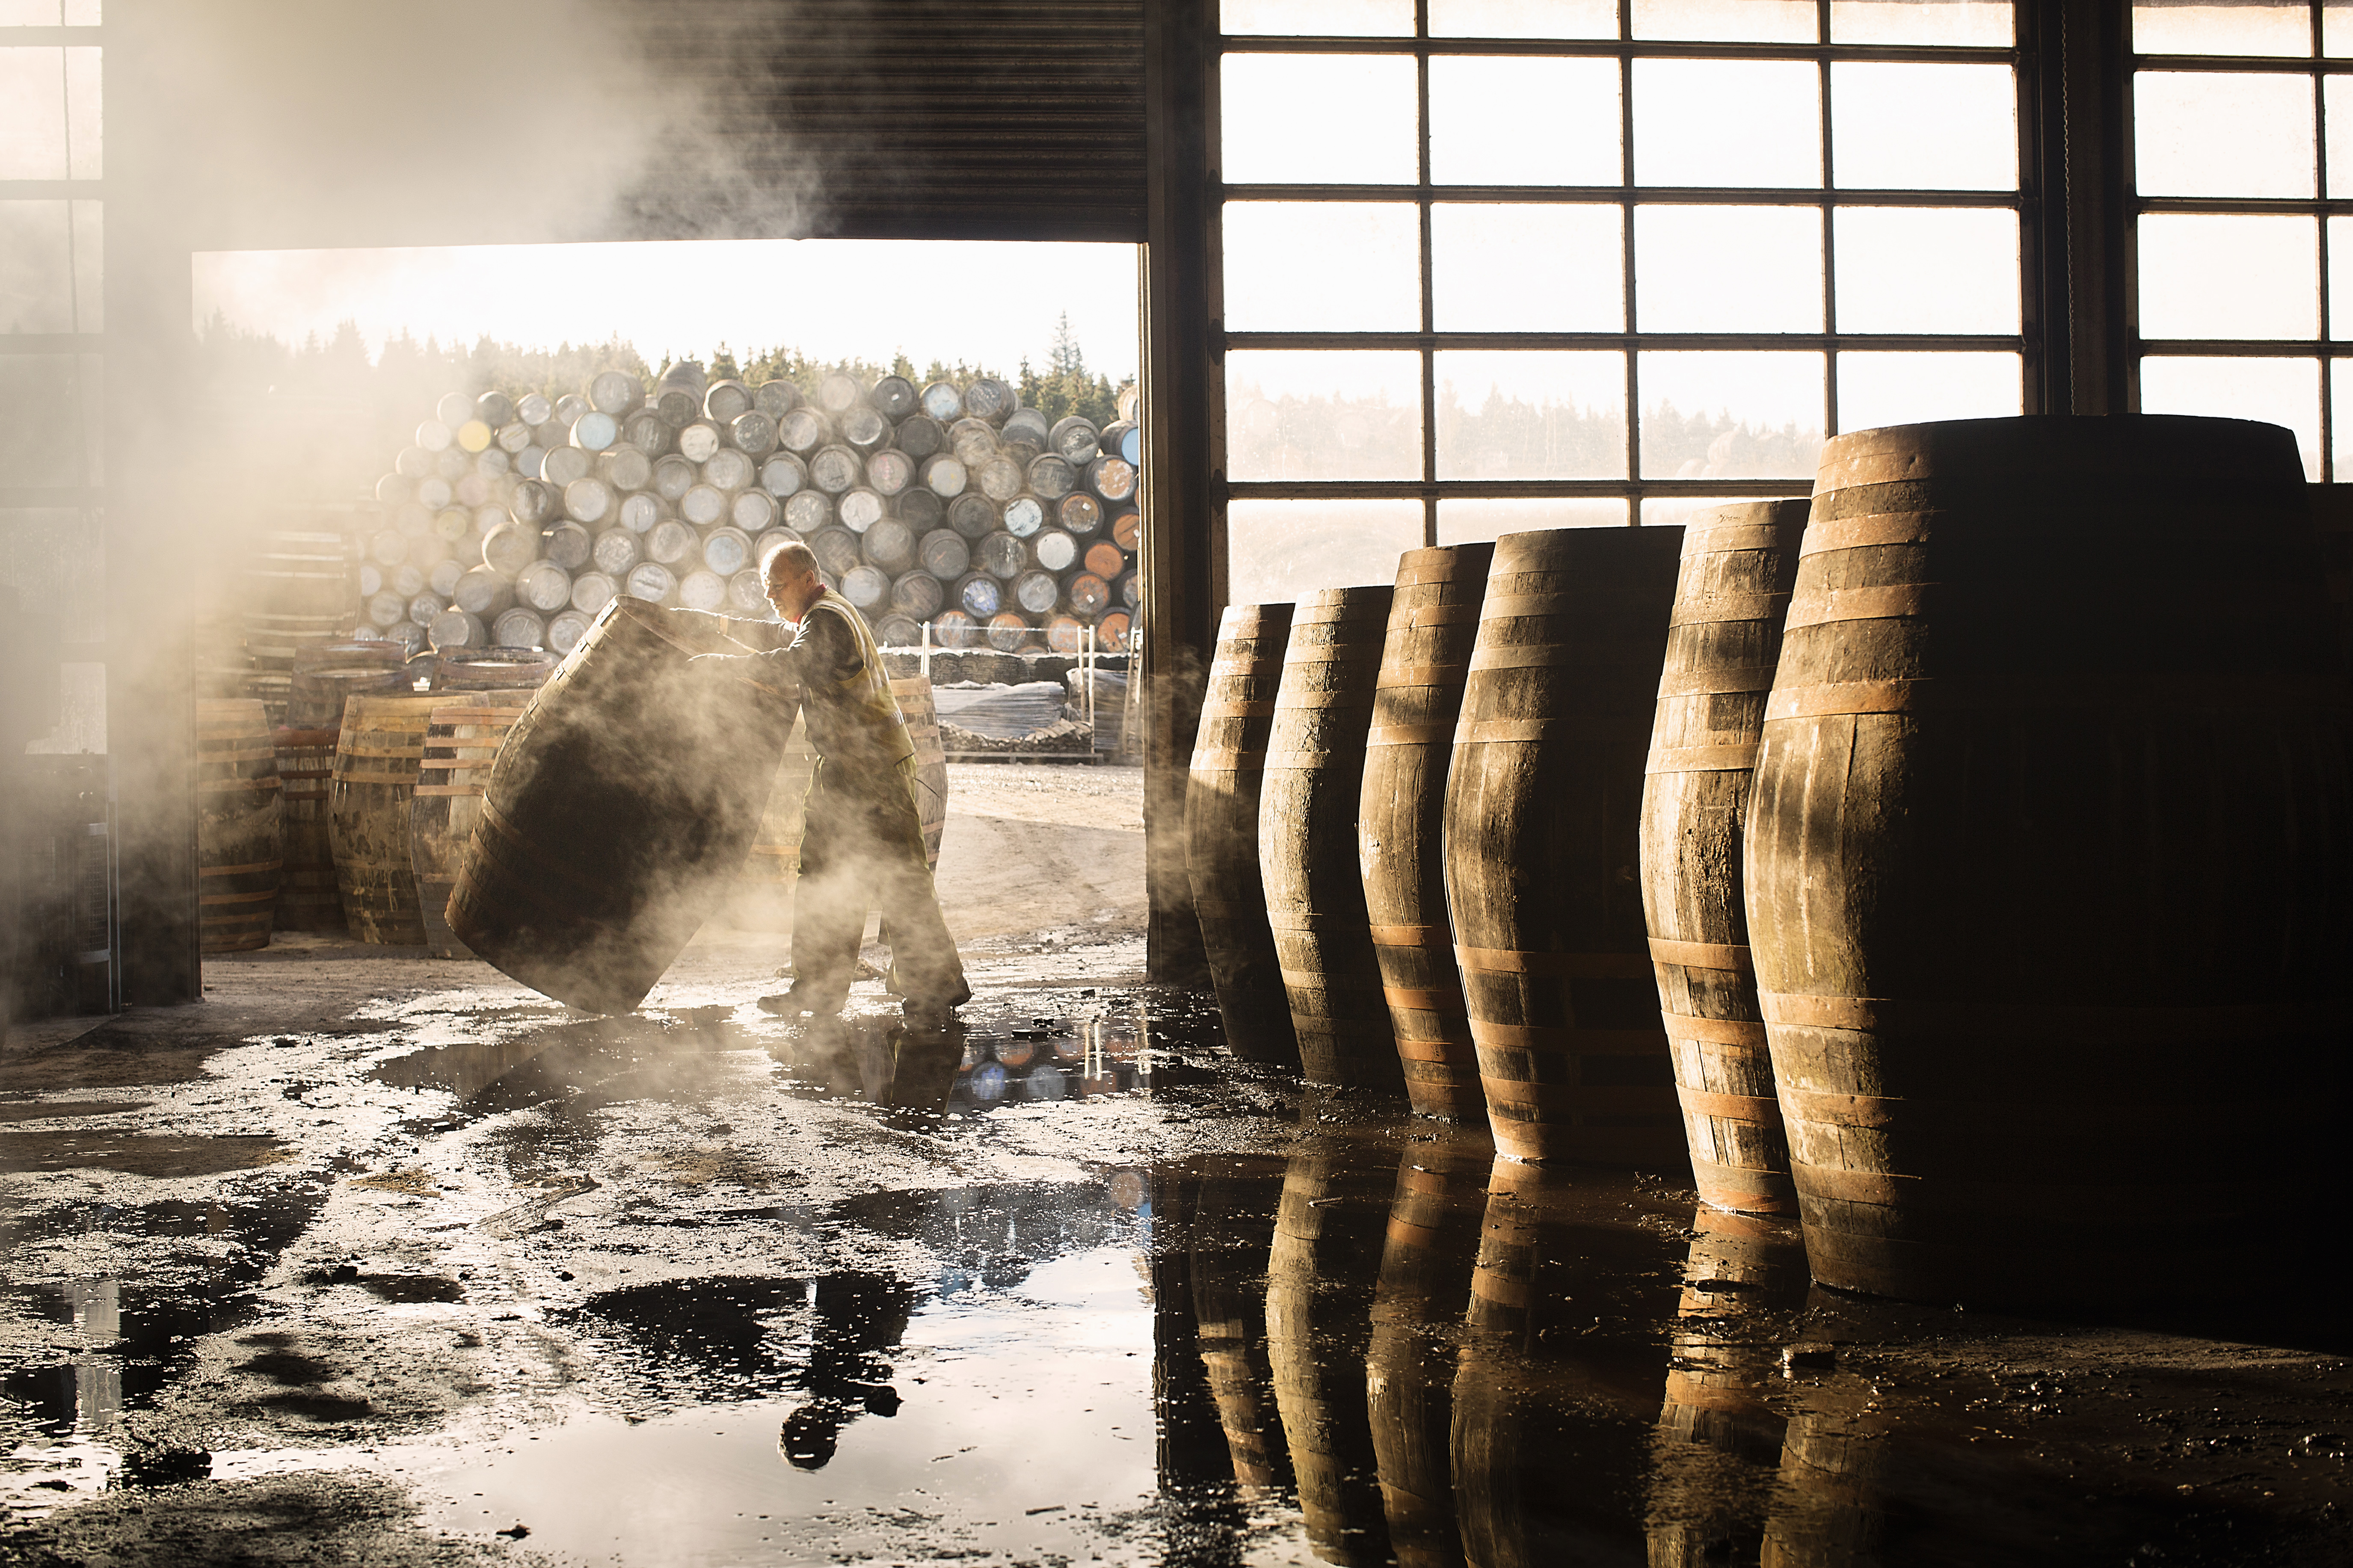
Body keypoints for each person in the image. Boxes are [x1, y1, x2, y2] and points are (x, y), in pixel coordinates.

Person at [688, 541, 969, 1024]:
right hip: (844, 766)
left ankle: (936, 986)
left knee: (899, 878)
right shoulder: (822, 612)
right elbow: (776, 635)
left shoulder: (828, 623)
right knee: (822, 876)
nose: (772, 595)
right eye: (766, 588)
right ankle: (817, 989)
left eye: (777, 586)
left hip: (874, 768)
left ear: (805, 577)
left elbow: (793, 663)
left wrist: (717, 667)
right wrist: (714, 626)